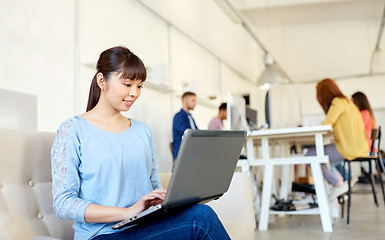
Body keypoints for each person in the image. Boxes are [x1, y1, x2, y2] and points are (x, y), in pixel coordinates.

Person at [51, 46, 230, 240]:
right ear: (101, 81)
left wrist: (169, 198)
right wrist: (127, 212)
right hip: (102, 234)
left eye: (139, 86)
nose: (135, 93)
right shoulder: (73, 130)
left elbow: (152, 186)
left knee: (200, 212)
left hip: (143, 226)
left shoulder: (142, 131)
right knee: (201, 220)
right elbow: (63, 204)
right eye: (127, 84)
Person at [305, 79, 368, 199]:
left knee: (310, 154)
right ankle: (341, 183)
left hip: (347, 149)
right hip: (360, 148)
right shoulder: (349, 103)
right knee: (324, 158)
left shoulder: (337, 102)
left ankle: (337, 184)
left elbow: (326, 125)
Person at [172, 92, 198, 160]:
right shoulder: (178, 116)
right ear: (184, 100)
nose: (195, 103)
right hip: (182, 155)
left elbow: (197, 132)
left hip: (191, 153)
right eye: (193, 100)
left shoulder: (190, 117)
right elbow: (188, 133)